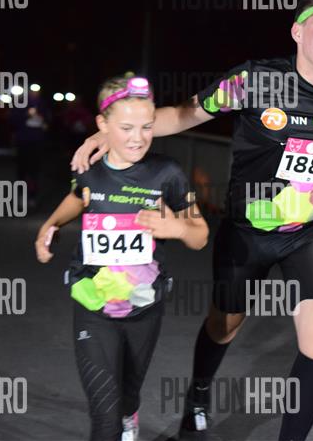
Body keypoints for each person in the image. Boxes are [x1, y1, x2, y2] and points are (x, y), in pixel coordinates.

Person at [72, 0, 313, 441]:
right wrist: (117, 131)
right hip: (248, 231)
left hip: (309, 231)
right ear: (297, 32)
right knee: (225, 324)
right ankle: (197, 396)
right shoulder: (254, 80)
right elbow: (182, 115)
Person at [36, 76, 209, 441]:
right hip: (92, 302)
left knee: (128, 393)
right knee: (104, 416)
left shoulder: (168, 173)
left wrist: (178, 228)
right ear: (102, 124)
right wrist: (51, 225)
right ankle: (118, 422)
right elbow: (78, 197)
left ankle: (130, 413)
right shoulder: (88, 168)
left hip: (144, 306)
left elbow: (200, 236)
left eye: (147, 127)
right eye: (126, 128)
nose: (138, 138)